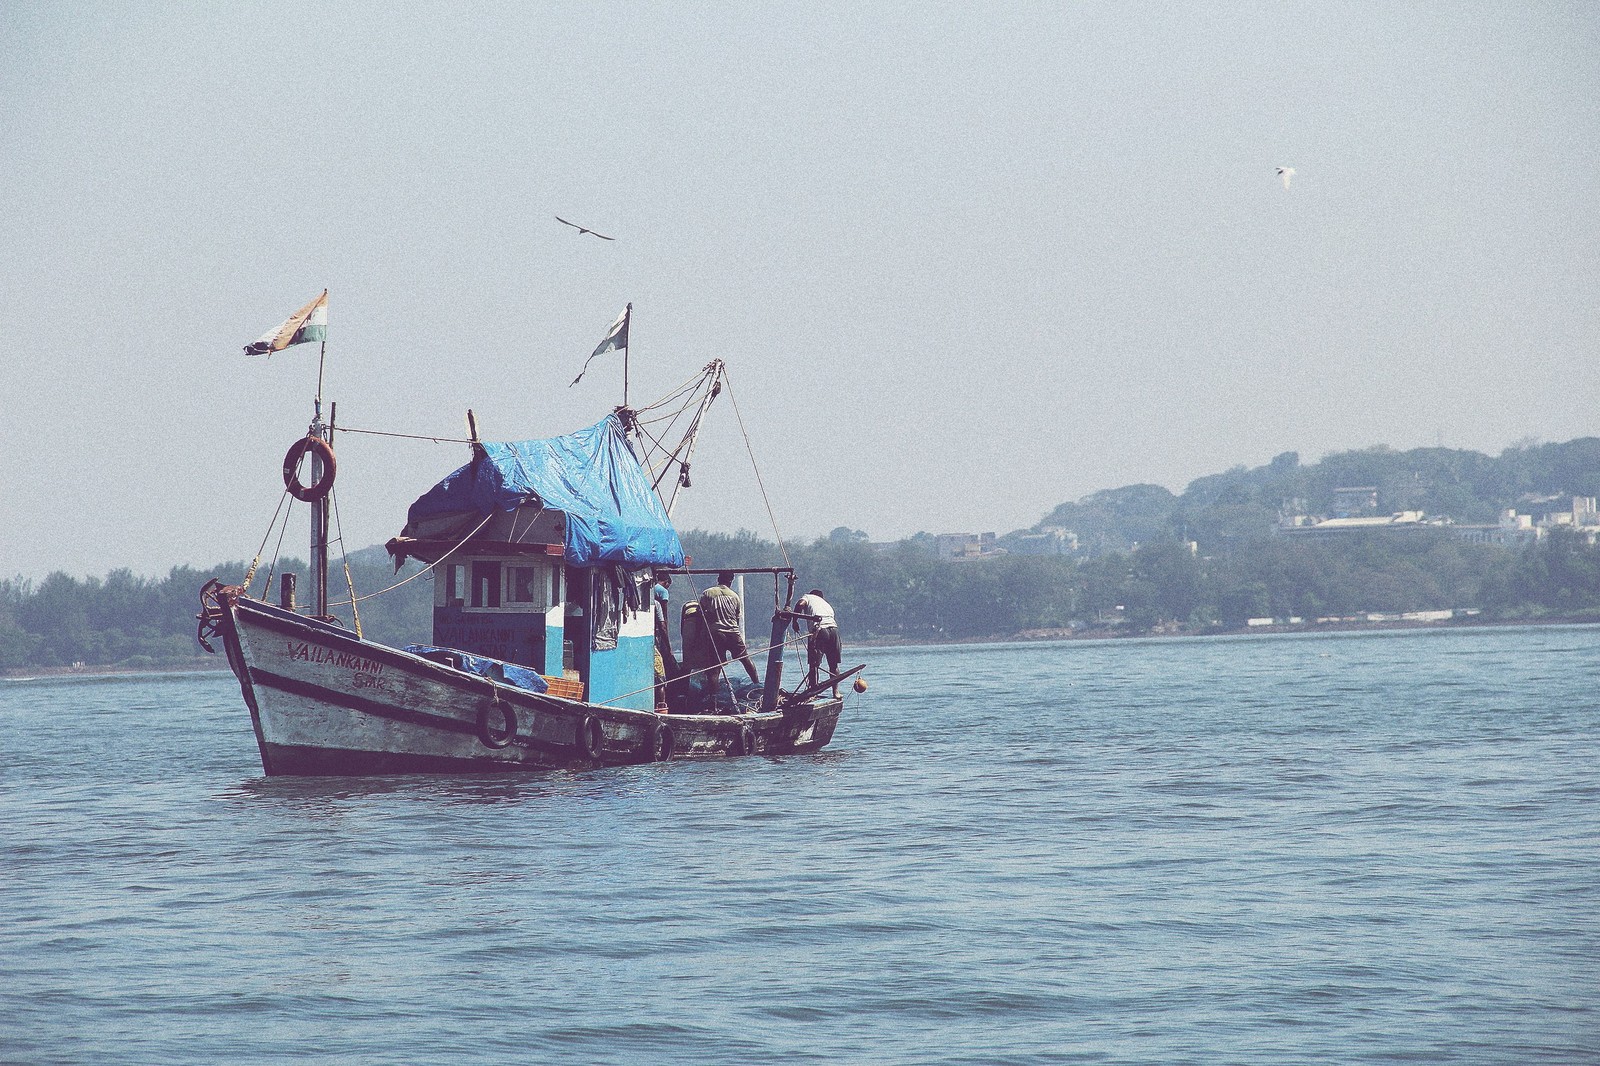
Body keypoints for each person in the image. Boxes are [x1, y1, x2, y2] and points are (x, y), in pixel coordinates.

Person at [697, 571, 761, 687]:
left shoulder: (708, 593)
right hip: (733, 633)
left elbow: (699, 613)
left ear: (718, 579)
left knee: (715, 668)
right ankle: (757, 685)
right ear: (731, 581)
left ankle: (713, 700)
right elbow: (736, 618)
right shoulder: (735, 596)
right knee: (745, 659)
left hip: (716, 634)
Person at [792, 588, 842, 697]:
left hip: (820, 630)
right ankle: (836, 693)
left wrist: (794, 621)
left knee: (814, 665)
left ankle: (812, 693)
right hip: (834, 630)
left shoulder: (808, 597)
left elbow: (800, 604)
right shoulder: (826, 604)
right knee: (833, 665)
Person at [651, 573, 678, 710]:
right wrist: (668, 647)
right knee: (660, 678)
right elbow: (663, 623)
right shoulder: (659, 599)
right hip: (654, 642)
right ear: (666, 582)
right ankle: (662, 706)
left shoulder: (649, 593)